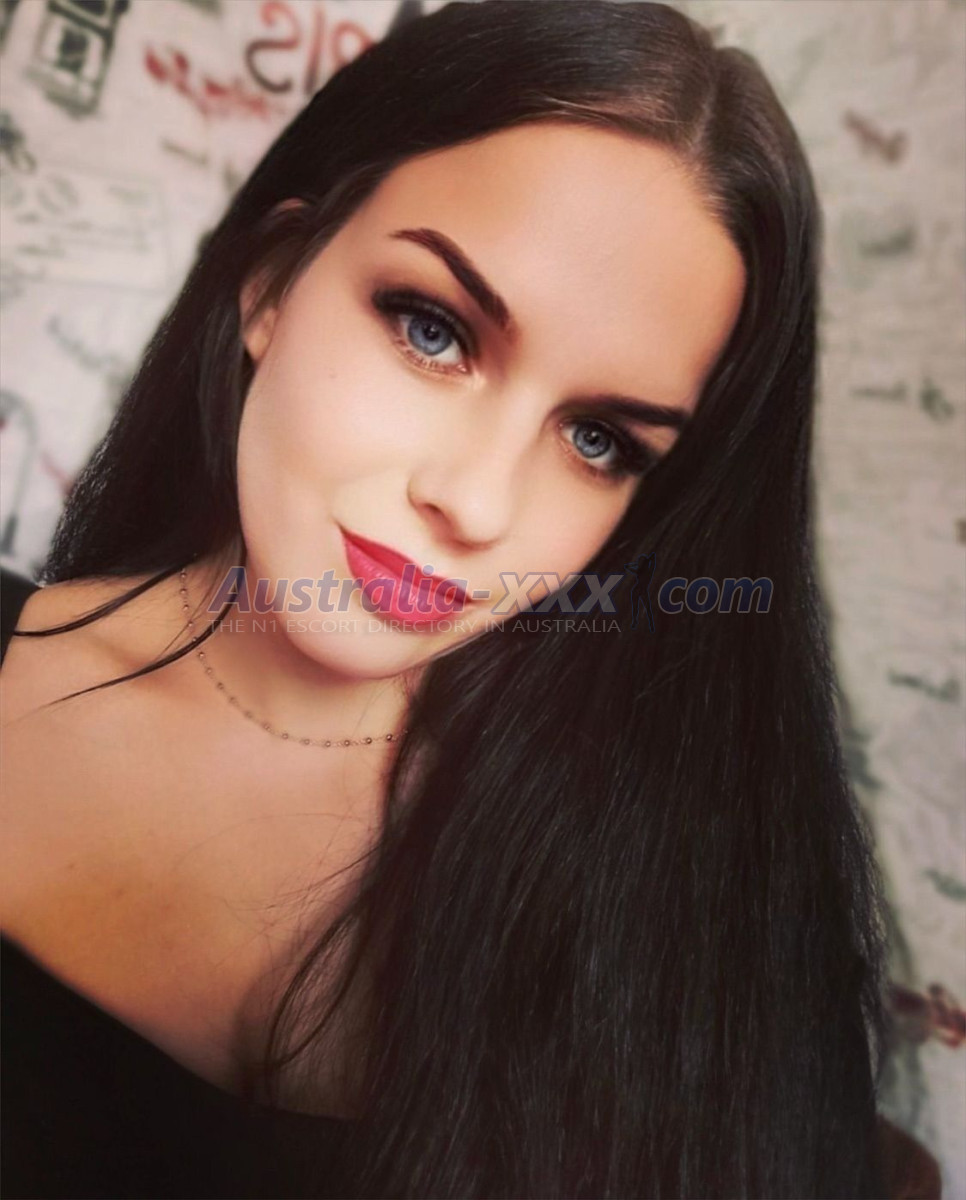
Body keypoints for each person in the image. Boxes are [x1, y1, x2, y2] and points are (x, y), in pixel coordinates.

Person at [0, 2, 939, 1196]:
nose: (476, 501)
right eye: (433, 330)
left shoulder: (666, 916)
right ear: (273, 283)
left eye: (599, 441)